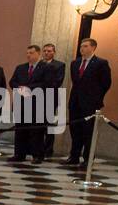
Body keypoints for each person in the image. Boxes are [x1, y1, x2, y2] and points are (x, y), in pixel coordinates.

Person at [63, 37, 111, 169]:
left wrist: (95, 98)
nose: (82, 49)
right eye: (81, 46)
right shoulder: (75, 63)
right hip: (75, 102)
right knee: (75, 130)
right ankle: (74, 156)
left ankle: (87, 158)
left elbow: (106, 83)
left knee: (88, 132)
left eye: (85, 46)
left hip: (90, 104)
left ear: (93, 48)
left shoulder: (101, 63)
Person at [9, 45, 49, 163]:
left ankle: (37, 155)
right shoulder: (20, 67)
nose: (28, 55)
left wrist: (28, 88)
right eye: (27, 53)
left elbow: (47, 84)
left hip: (37, 104)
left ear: (38, 53)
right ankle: (19, 154)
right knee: (20, 130)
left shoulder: (46, 68)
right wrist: (18, 87)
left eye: (31, 53)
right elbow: (12, 81)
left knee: (36, 131)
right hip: (21, 103)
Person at [40, 42, 65, 158]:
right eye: (45, 51)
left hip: (50, 97)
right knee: (36, 124)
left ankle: (48, 149)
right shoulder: (38, 64)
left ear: (54, 53)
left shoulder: (59, 65)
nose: (46, 53)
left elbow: (57, 82)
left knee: (49, 125)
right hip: (36, 98)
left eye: (49, 51)